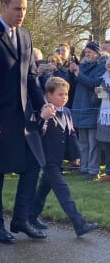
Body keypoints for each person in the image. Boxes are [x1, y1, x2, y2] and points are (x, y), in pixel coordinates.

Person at [0, 0, 51, 244]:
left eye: (25, 9)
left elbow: (31, 77)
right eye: (17, 8)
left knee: (33, 164)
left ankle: (21, 219)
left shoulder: (26, 36)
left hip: (25, 118)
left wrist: (41, 105)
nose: (22, 14)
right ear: (4, 6)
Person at [29, 77, 98, 236]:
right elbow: (40, 132)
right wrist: (44, 118)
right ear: (49, 95)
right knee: (63, 190)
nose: (65, 97)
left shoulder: (67, 111)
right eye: (60, 94)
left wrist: (75, 155)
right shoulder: (45, 111)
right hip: (47, 160)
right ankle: (79, 224)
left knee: (43, 190)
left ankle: (31, 216)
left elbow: (71, 134)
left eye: (66, 94)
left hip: (58, 159)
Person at [67, 41, 107, 180]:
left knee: (93, 143)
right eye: (86, 51)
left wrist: (79, 74)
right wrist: (71, 72)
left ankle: (93, 170)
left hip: (92, 108)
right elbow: (70, 83)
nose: (87, 54)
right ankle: (84, 168)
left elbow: (94, 83)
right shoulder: (82, 65)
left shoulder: (102, 67)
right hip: (79, 108)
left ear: (97, 53)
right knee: (82, 142)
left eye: (90, 52)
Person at [94, 58, 110, 183]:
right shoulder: (102, 79)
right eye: (108, 66)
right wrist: (97, 93)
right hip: (104, 117)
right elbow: (93, 101)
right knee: (106, 146)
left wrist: (107, 90)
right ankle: (108, 174)